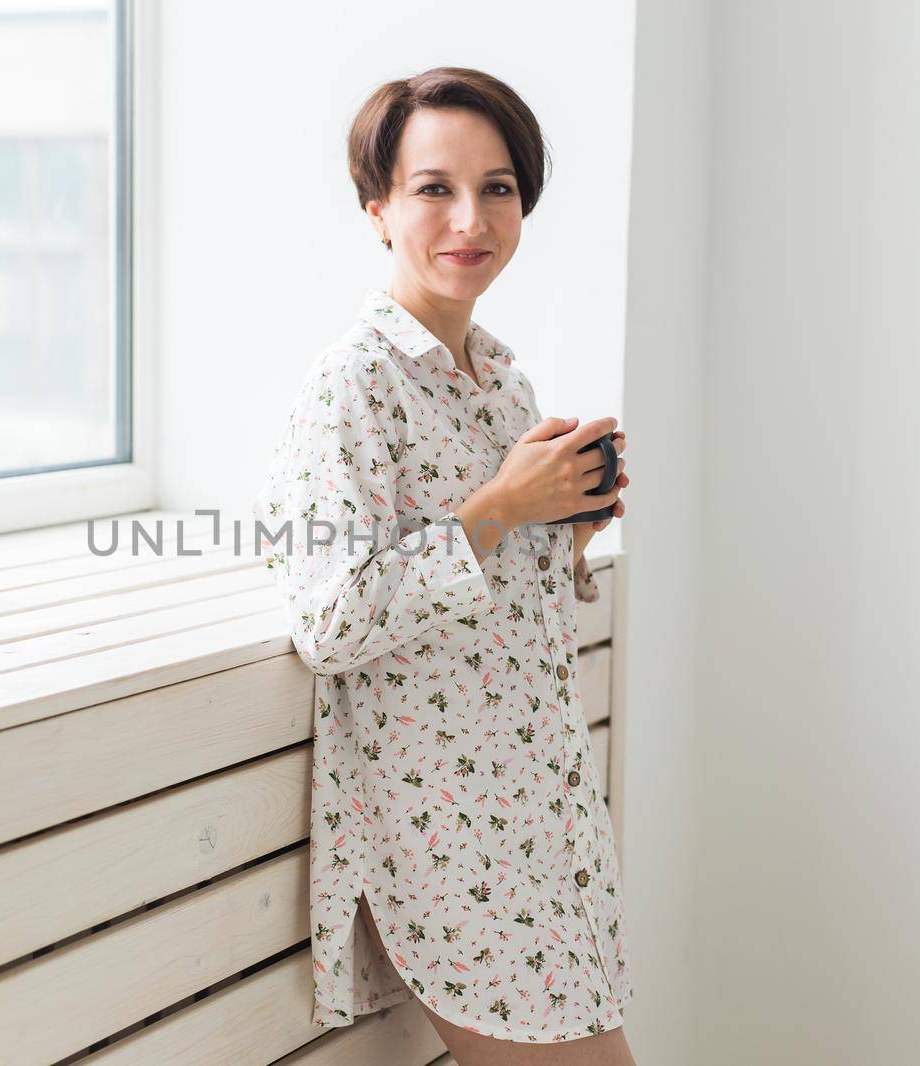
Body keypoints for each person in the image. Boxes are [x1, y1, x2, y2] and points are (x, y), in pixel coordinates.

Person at [251, 67, 637, 1065]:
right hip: (447, 841)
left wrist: (563, 531)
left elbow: (488, 582)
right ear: (376, 207)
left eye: (498, 188)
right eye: (433, 189)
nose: (469, 218)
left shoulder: (503, 377)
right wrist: (499, 506)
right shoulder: (348, 390)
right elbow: (331, 619)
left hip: (545, 814)